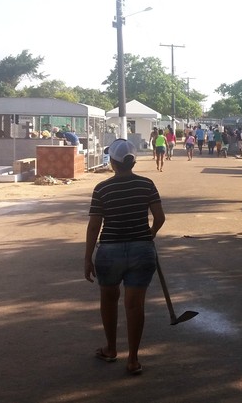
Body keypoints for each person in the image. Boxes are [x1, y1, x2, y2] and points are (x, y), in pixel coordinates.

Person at [84, 139, 166, 376]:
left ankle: (110, 349)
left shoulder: (102, 189)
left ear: (112, 162)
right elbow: (159, 217)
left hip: (109, 251)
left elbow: (93, 226)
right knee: (134, 305)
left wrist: (87, 257)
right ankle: (133, 359)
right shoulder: (146, 184)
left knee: (109, 300)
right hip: (142, 251)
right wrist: (147, 235)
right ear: (133, 161)